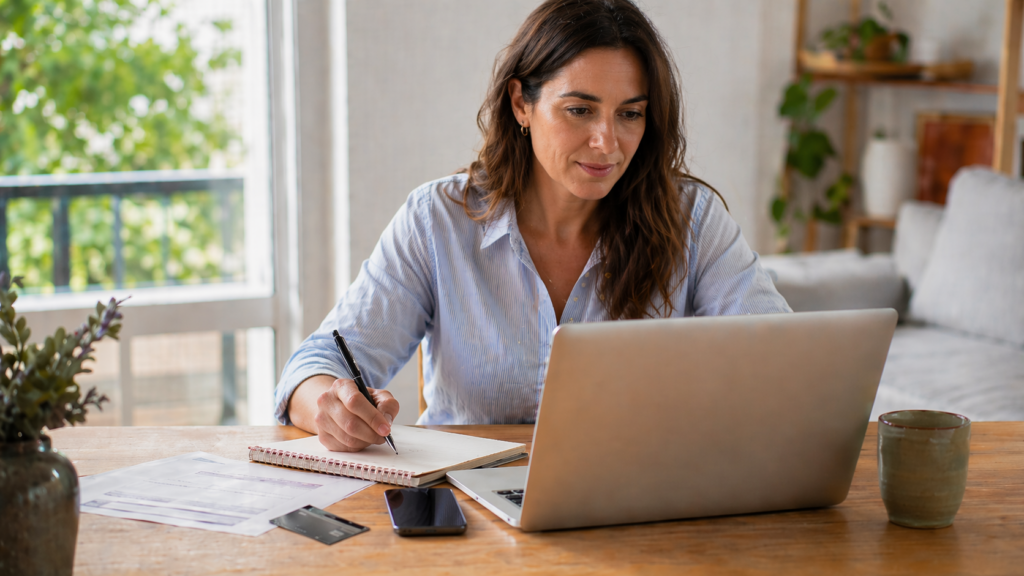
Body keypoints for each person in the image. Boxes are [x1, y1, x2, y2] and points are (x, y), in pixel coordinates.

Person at [275, 0, 791, 452]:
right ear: (522, 103)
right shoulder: (439, 219)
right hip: (468, 513)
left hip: (637, 509)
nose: (607, 142)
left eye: (629, 114)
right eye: (580, 110)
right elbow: (315, 364)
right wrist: (331, 404)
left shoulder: (692, 220)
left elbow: (786, 362)